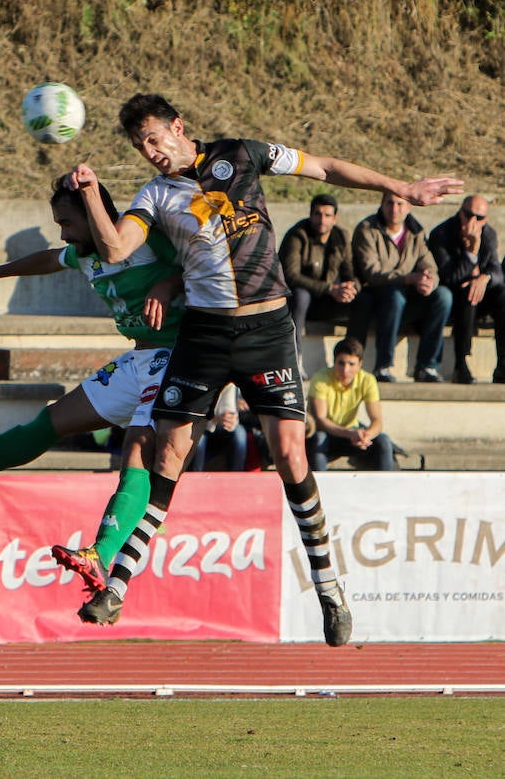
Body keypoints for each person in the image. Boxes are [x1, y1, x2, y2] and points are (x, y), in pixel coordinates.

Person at [66, 91, 462, 646]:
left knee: (290, 455)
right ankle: (118, 588)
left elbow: (323, 166)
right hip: (204, 334)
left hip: (266, 330)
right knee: (168, 453)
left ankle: (328, 587)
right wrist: (89, 197)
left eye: (155, 138)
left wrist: (399, 187)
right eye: (140, 145)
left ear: (180, 126)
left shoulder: (241, 154)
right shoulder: (154, 195)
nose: (150, 151)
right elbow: (113, 250)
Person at [0, 175, 185, 591]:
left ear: (94, 215)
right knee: (51, 421)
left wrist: (169, 282)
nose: (64, 232)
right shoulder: (85, 253)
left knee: (138, 446)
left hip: (177, 358)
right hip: (139, 359)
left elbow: (199, 264)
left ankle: (101, 553)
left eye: (68, 222)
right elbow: (48, 259)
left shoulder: (141, 235)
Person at [350, 191, 452, 383]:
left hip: (408, 296)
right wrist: (408, 279)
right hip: (377, 295)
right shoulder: (367, 229)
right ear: (381, 205)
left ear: (409, 207)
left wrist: (428, 281)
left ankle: (427, 366)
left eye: (399, 204)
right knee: (394, 296)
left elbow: (430, 266)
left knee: (443, 296)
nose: (394, 209)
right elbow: (372, 273)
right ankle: (384, 365)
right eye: (389, 203)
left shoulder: (415, 232)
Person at [278, 193, 359, 374]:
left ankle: (352, 358)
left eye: (327, 215)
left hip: (328, 300)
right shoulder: (297, 236)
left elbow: (349, 270)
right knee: (300, 295)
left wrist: (350, 288)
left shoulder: (341, 236)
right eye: (317, 214)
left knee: (363, 300)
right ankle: (295, 360)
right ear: (311, 215)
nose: (322, 220)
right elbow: (290, 276)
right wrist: (329, 289)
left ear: (335, 218)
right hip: (300, 300)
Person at [428, 195, 505, 384]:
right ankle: (460, 364)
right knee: (468, 293)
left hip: (477, 295)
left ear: (485, 220)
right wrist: (471, 254)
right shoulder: (442, 234)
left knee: (502, 295)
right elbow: (448, 277)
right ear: (459, 213)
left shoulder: (488, 234)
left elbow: (497, 272)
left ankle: (502, 364)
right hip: (449, 299)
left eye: (478, 218)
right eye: (468, 215)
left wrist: (484, 278)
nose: (472, 221)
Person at [307, 337, 394, 471]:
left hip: (352, 434)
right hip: (327, 434)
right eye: (341, 363)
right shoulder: (320, 378)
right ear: (334, 362)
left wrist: (366, 436)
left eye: (351, 364)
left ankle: (386, 488)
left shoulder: (368, 380)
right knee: (319, 438)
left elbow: (377, 421)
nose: (345, 370)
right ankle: (319, 488)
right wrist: (350, 433)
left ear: (360, 364)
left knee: (384, 441)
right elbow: (321, 421)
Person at [188, 383, 249, 472]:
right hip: (202, 423)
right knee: (198, 439)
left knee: (240, 435)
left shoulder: (235, 385)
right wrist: (214, 418)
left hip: (227, 426)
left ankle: (236, 477)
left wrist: (234, 417)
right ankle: (195, 475)